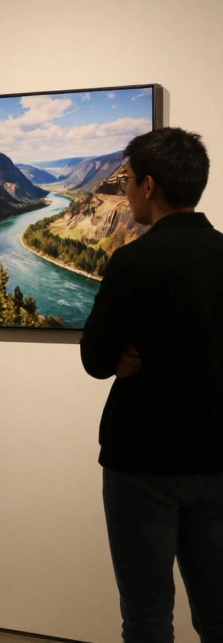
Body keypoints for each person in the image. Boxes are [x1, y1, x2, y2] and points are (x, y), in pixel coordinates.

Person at [81, 127, 223, 643]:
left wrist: (118, 358)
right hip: (217, 459)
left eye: (127, 183)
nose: (124, 193)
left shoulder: (134, 262)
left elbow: (95, 359)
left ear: (148, 184)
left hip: (142, 460)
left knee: (146, 616)